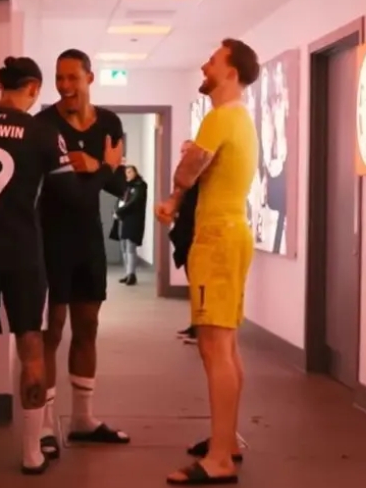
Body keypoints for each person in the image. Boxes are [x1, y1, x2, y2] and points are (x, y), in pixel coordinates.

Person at [0, 56, 123, 483]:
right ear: (33, 88)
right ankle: (30, 452)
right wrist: (108, 168)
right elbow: (78, 199)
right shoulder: (42, 133)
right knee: (31, 344)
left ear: (0, 85)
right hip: (25, 252)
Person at [156, 38, 260, 485]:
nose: (205, 64)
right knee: (225, 344)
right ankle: (227, 441)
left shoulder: (220, 117)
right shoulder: (241, 119)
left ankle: (219, 458)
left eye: (213, 61)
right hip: (233, 233)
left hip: (216, 239)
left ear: (231, 73)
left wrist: (176, 192)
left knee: (215, 346)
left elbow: (188, 171)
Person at [35, 48, 129, 457]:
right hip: (50, 237)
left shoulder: (108, 123)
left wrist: (93, 164)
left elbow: (120, 186)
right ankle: (44, 425)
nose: (66, 86)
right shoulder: (43, 125)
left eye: (73, 77)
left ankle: (82, 420)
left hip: (89, 240)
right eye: (60, 78)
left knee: (87, 326)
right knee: (51, 330)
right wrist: (102, 168)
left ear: (90, 77)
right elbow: (64, 191)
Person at [170, 141, 200, 344]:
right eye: (181, 151)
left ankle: (201, 330)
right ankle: (195, 326)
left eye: (187, 151)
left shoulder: (200, 179)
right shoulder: (185, 181)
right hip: (186, 236)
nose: (183, 155)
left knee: (199, 287)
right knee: (194, 285)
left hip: (197, 237)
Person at [110, 165, 149, 285]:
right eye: (126, 172)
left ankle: (132, 275)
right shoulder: (125, 186)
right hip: (123, 220)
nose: (128, 174)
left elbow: (134, 202)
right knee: (123, 248)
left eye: (130, 171)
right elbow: (119, 200)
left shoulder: (140, 186)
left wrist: (119, 212)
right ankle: (128, 273)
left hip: (133, 220)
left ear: (136, 172)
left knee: (130, 247)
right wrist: (116, 211)